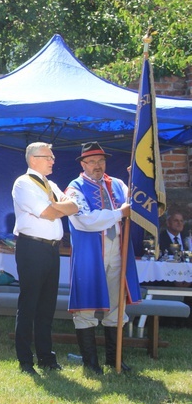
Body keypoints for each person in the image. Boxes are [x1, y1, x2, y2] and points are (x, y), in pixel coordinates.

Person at [66, 141, 141, 374]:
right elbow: (86, 220)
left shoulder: (118, 184)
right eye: (92, 161)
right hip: (91, 254)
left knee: (116, 304)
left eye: (101, 161)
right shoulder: (74, 189)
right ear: (83, 164)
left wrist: (138, 180)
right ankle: (91, 363)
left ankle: (114, 359)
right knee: (86, 305)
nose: (97, 165)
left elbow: (137, 203)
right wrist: (119, 213)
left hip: (117, 250)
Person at [11, 142, 78, 376]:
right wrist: (58, 207)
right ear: (33, 159)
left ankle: (46, 357)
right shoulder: (23, 183)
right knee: (29, 304)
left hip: (51, 249)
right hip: (32, 247)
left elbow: (74, 206)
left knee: (47, 306)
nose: (53, 161)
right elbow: (48, 212)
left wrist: (57, 206)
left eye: (52, 157)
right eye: (48, 157)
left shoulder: (51, 184)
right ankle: (25, 360)